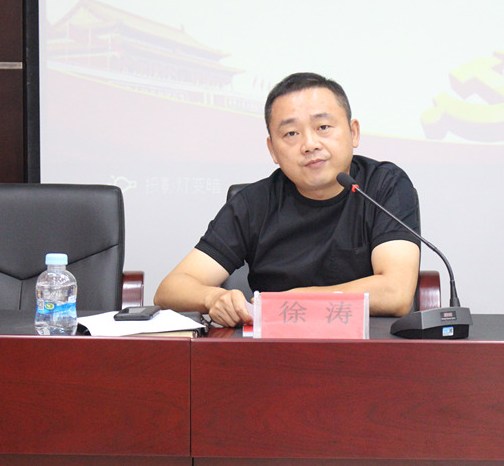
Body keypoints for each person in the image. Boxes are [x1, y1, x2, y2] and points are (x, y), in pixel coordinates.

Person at [154, 72, 421, 326]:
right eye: (291, 133)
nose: (310, 144)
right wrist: (212, 297)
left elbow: (395, 293)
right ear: (272, 149)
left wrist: (297, 300)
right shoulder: (253, 204)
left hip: (367, 347)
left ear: (354, 133)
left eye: (323, 127)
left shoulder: (383, 186)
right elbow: (170, 289)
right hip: (276, 349)